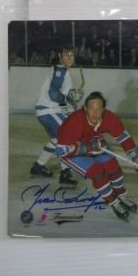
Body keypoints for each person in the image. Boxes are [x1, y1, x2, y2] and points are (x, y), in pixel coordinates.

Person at [56, 92, 138, 221]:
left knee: (114, 169)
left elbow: (125, 139)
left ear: (104, 109)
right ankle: (112, 201)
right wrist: (88, 148)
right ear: (85, 108)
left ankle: (121, 196)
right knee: (97, 172)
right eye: (91, 109)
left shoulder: (110, 118)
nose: (94, 113)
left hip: (95, 144)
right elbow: (61, 150)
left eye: (98, 109)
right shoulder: (74, 121)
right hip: (71, 151)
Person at [30, 44, 84, 186]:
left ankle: (39, 165)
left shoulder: (59, 69)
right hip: (49, 110)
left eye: (72, 55)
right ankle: (65, 173)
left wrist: (69, 102)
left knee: (56, 139)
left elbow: (58, 96)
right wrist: (68, 98)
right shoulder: (61, 70)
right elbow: (53, 94)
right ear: (59, 56)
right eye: (66, 55)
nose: (69, 58)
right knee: (68, 138)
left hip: (46, 111)